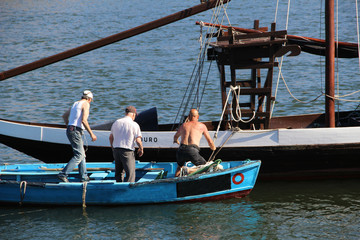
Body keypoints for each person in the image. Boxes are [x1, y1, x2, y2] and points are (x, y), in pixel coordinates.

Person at [58, 90, 97, 183]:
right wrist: (92, 134)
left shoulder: (75, 103)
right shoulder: (86, 104)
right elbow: (84, 120)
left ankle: (84, 176)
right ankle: (63, 174)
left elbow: (64, 116)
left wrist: (69, 125)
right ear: (89, 99)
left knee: (81, 154)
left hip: (70, 130)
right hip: (76, 130)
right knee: (79, 155)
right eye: (91, 100)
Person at [173, 109, 216, 177]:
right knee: (205, 168)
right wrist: (213, 148)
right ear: (198, 117)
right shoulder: (202, 126)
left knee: (179, 166)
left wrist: (177, 141)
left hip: (181, 150)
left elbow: (175, 137)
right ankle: (188, 170)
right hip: (192, 150)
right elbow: (210, 141)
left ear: (189, 116)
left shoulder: (183, 125)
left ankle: (175, 180)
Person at [109, 106, 144, 182]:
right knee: (130, 173)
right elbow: (138, 140)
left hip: (116, 149)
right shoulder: (134, 124)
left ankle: (118, 187)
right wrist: (141, 148)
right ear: (133, 114)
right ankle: (128, 190)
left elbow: (111, 137)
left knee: (119, 172)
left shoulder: (116, 122)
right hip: (127, 151)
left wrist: (113, 148)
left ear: (126, 113)